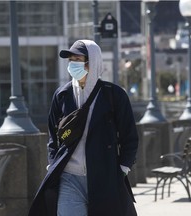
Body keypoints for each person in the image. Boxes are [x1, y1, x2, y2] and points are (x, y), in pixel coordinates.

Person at [28, 40, 138, 216]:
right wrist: (53, 162)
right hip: (68, 178)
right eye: (71, 60)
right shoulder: (62, 95)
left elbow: (130, 136)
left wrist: (122, 169)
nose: (72, 64)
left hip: (104, 177)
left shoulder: (114, 95)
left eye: (77, 59)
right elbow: (52, 135)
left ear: (92, 62)